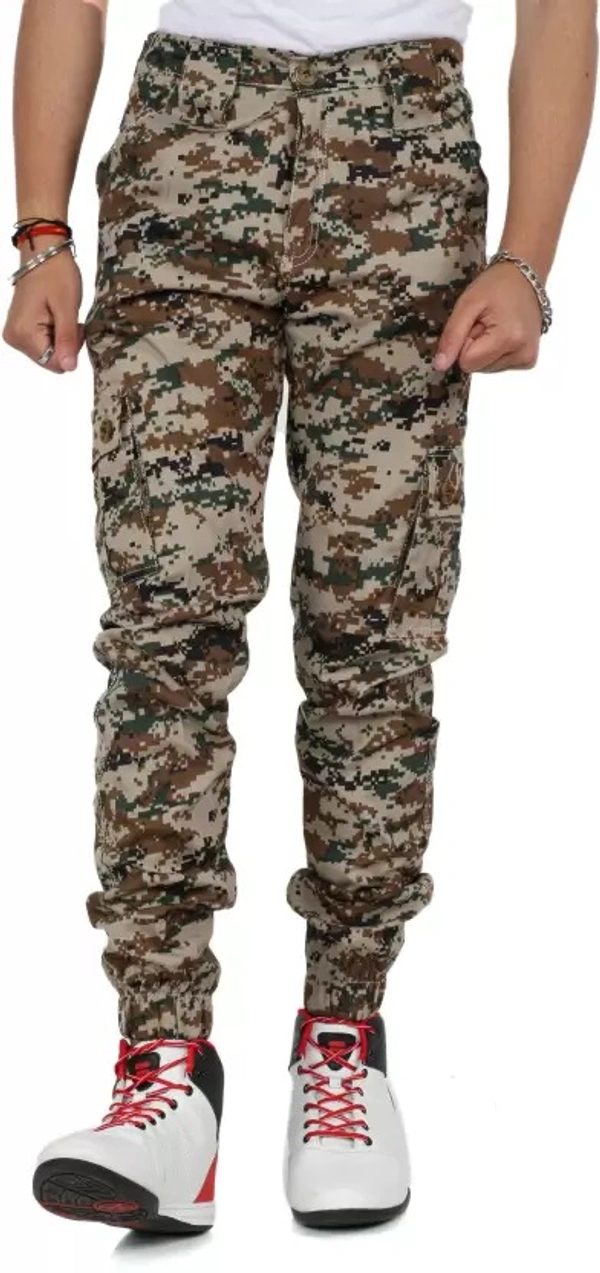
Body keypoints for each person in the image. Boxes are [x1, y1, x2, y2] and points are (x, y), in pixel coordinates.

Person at [4, 0, 597, 1237]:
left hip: (403, 156)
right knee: (165, 631)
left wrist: (529, 257)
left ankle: (344, 1041)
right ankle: (164, 1075)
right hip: (187, 148)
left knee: (375, 634)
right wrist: (41, 229)